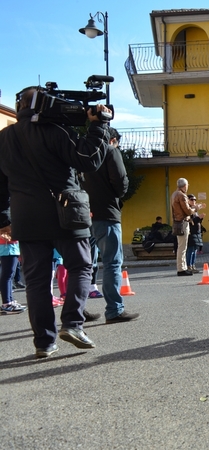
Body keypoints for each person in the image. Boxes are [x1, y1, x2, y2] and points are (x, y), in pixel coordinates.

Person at [0, 86, 110, 358]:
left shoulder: (4, 138)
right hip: (66, 214)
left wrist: (4, 219)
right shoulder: (56, 131)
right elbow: (88, 159)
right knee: (82, 266)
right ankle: (72, 323)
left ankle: (44, 342)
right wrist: (99, 126)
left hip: (26, 218)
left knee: (36, 281)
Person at [83, 126, 139, 323]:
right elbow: (121, 183)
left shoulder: (81, 151)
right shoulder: (111, 151)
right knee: (111, 262)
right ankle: (114, 310)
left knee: (82, 265)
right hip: (106, 213)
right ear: (113, 139)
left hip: (82, 214)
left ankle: (77, 309)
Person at [172, 178, 203, 276]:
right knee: (182, 247)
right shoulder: (182, 195)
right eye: (187, 185)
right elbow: (188, 211)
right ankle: (181, 269)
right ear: (185, 186)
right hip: (183, 222)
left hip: (177, 222)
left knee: (182, 247)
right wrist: (196, 208)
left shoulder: (174, 194)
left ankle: (184, 267)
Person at [0, 235, 25, 314]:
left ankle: (10, 301)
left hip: (11, 247)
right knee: (7, 276)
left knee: (9, 276)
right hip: (7, 247)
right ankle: (7, 303)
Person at [186, 200, 204, 270]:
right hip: (191, 232)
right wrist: (198, 218)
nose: (194, 201)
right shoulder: (188, 210)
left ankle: (193, 265)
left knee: (195, 250)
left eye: (195, 200)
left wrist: (200, 218)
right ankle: (189, 265)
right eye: (192, 200)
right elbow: (191, 221)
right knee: (191, 250)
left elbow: (196, 221)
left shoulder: (195, 211)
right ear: (188, 201)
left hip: (197, 232)